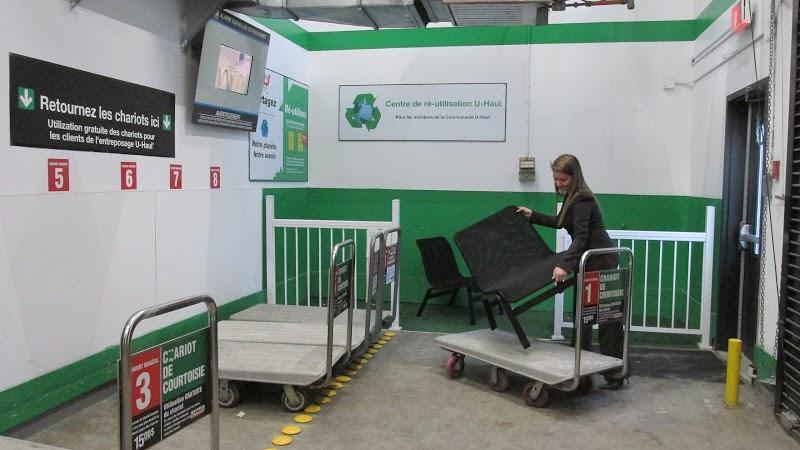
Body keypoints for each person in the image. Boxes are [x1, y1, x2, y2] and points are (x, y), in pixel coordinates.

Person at [516, 153, 627, 389]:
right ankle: (583, 374)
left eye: (563, 179)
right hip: (591, 261)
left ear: (575, 177)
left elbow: (581, 238)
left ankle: (614, 374)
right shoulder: (572, 196)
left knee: (606, 320)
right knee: (583, 319)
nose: (558, 184)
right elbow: (560, 222)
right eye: (556, 179)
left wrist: (564, 265)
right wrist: (532, 215)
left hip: (601, 262)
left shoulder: (583, 199)